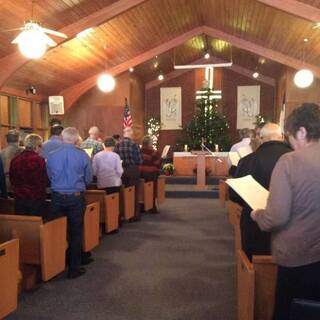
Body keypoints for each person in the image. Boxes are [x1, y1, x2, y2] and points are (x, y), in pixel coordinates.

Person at [251, 104, 320, 320]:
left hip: (298, 257)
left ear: (301, 132)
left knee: (290, 311)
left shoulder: (290, 161)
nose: (289, 143)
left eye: (289, 137)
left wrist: (257, 215)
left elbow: (276, 216)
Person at [229, 123, 291, 261]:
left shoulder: (247, 161)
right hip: (289, 225)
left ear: (261, 139)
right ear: (282, 137)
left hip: (255, 224)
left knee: (256, 265)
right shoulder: (295, 158)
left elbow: (234, 195)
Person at [47, 127, 93, 279]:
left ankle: (54, 268)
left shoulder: (51, 156)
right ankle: (74, 269)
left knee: (56, 232)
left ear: (62, 138)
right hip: (75, 196)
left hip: (57, 197)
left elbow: (49, 176)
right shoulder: (83, 156)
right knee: (75, 232)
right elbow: (88, 179)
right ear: (76, 139)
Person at [9, 134, 49, 216]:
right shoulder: (39, 160)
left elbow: (12, 179)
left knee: (22, 224)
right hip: (36, 198)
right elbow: (44, 179)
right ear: (37, 146)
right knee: (35, 225)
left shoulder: (15, 160)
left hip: (19, 198)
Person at [114, 127, 142, 221]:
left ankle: (123, 213)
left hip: (121, 170)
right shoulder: (134, 145)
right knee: (133, 192)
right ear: (130, 133)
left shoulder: (118, 144)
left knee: (123, 192)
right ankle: (134, 215)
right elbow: (139, 160)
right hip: (132, 170)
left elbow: (115, 158)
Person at [140, 136, 161, 213]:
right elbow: (157, 164)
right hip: (151, 174)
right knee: (152, 189)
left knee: (141, 188)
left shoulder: (139, 151)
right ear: (150, 143)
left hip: (140, 174)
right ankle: (152, 207)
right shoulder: (154, 152)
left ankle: (141, 206)